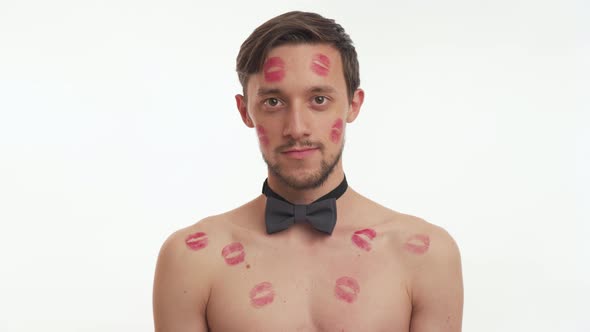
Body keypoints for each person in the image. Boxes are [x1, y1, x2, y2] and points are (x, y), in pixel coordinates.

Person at [153, 11, 463, 332]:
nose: (297, 128)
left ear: (353, 105)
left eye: (318, 99)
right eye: (274, 102)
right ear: (245, 111)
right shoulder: (192, 259)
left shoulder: (426, 255)